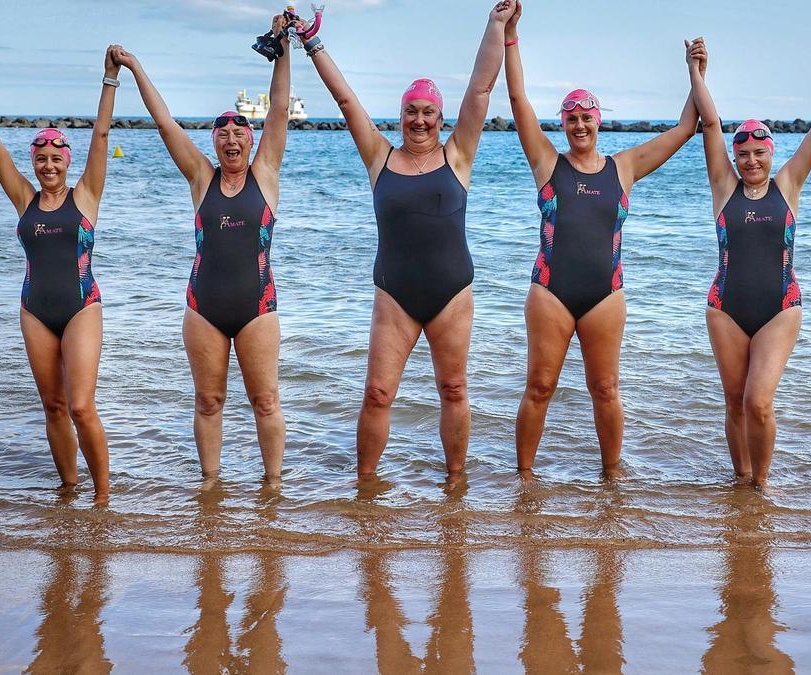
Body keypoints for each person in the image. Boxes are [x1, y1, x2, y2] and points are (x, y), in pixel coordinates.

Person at [299, 2, 516, 476]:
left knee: (454, 389)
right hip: (393, 295)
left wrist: (495, 23)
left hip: (451, 293)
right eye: (411, 112)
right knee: (377, 393)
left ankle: (455, 485)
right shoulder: (380, 157)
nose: (420, 120)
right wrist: (313, 45)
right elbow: (347, 102)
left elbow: (480, 90)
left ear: (441, 119)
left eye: (429, 113)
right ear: (401, 116)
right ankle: (365, 488)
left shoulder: (458, 155)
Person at [505, 1, 699, 473]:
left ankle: (612, 478)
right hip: (549, 291)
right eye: (571, 119)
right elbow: (518, 102)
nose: (579, 126)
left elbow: (686, 128)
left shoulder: (624, 168)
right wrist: (511, 35)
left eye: (586, 117)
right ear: (563, 124)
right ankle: (524, 478)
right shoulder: (548, 164)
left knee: (607, 389)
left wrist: (695, 73)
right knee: (539, 387)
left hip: (606, 295)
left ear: (599, 120)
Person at [114, 16, 291, 483]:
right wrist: (133, 68)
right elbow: (164, 122)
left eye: (239, 133)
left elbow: (276, 108)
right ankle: (210, 487)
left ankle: (272, 488)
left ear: (251, 141)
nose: (231, 139)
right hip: (202, 307)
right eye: (222, 134)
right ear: (213, 141)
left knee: (265, 401)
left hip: (258, 306)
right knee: (208, 401)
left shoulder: (265, 174)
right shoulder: (201, 177)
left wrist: (284, 47)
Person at [690, 38, 811, 486]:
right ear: (735, 157)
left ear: (771, 154)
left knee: (758, 401)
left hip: (781, 308)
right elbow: (709, 124)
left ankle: (762, 486)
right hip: (724, 307)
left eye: (758, 153)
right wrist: (697, 73)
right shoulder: (723, 187)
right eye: (743, 154)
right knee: (733, 402)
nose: (750, 160)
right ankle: (741, 482)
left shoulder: (788, 185)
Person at [0, 45, 118, 501]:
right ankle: (69, 490)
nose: (48, 166)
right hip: (34, 309)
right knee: (53, 406)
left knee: (82, 407)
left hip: (82, 305)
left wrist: (109, 79)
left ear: (67, 162)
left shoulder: (85, 195)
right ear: (34, 162)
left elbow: (102, 134)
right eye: (41, 159)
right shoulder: (25, 199)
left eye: (57, 159)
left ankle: (103, 497)